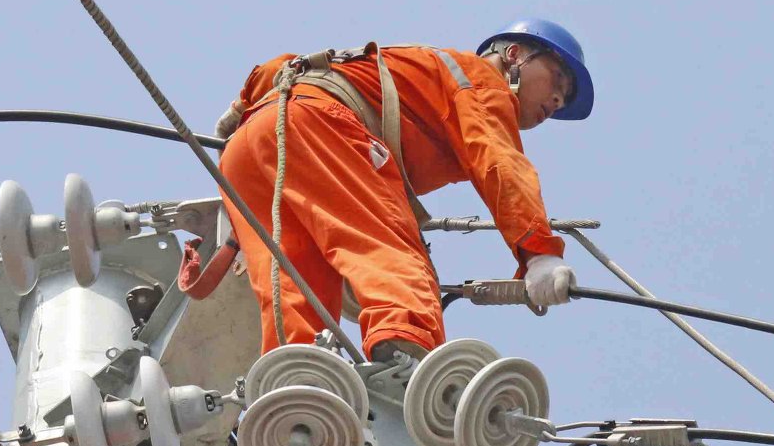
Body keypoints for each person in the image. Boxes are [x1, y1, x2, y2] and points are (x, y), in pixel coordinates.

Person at [214, 19, 595, 362]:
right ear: (514, 56)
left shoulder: (421, 68)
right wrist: (539, 254)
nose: (558, 100)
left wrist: (241, 106)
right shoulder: (478, 79)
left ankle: (296, 379)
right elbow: (499, 162)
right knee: (391, 251)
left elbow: (283, 67)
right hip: (318, 126)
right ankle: (406, 352)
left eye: (563, 98)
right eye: (557, 79)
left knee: (298, 285)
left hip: (249, 146)